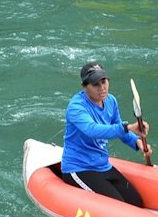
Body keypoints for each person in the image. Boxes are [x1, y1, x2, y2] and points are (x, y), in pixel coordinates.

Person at [60, 60, 151, 204]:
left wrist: (137, 142)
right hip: (79, 168)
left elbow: (118, 127)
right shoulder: (76, 107)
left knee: (136, 202)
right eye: (96, 84)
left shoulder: (111, 101)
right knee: (119, 206)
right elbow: (93, 130)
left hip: (102, 165)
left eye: (104, 81)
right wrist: (128, 127)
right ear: (85, 86)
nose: (102, 88)